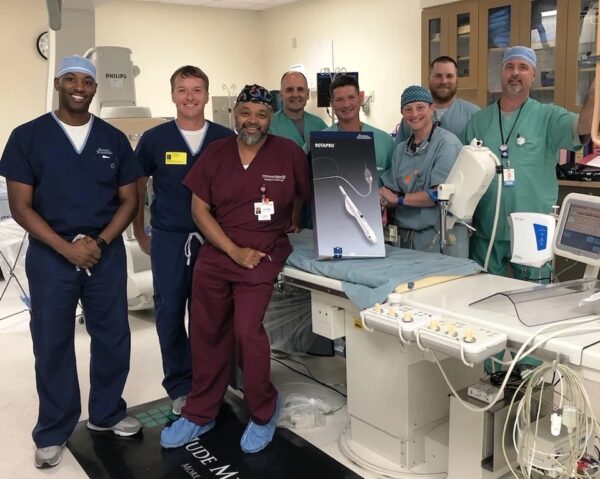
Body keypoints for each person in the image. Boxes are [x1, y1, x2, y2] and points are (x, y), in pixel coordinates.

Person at [0, 55, 142, 469]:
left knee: (113, 334)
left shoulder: (113, 139)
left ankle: (107, 412)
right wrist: (67, 248)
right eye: (71, 79)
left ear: (96, 89)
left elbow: (130, 199)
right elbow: (22, 208)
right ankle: (53, 428)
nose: (79, 86)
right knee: (52, 341)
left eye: (87, 81)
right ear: (59, 84)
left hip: (105, 251)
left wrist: (98, 241)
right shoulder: (27, 137)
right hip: (51, 255)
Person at [160, 84, 310, 453]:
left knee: (247, 333)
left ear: (270, 117)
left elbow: (305, 193)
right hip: (217, 253)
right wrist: (232, 250)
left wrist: (290, 219)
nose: (252, 121)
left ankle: (263, 408)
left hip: (263, 251)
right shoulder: (216, 153)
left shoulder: (288, 153)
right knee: (206, 332)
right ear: (235, 114)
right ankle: (200, 412)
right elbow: (199, 210)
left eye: (260, 114)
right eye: (245, 113)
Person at [132, 66, 235, 415]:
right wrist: (139, 232)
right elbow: (136, 188)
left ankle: (211, 384)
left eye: (197, 90)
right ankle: (180, 385)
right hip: (169, 240)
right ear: (172, 94)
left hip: (214, 242)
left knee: (212, 316)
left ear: (207, 95)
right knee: (170, 313)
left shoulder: (224, 138)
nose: (190, 97)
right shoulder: (155, 139)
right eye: (182, 90)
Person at [462, 46, 595, 280]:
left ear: (533, 76)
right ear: (501, 74)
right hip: (488, 229)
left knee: (533, 299)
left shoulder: (548, 117)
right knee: (482, 298)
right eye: (509, 67)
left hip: (533, 229)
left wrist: (595, 89)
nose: (515, 72)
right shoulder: (479, 121)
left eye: (523, 67)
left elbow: (584, 127)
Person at [380, 85, 466, 256]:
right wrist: (382, 196)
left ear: (431, 108)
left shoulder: (447, 144)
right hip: (405, 237)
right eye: (408, 109)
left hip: (438, 235)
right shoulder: (401, 150)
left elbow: (438, 195)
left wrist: (398, 200)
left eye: (420, 107)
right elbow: (392, 188)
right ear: (402, 114)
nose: (414, 114)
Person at [395, 56, 479, 145]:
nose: (444, 81)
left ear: (456, 80)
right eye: (438, 76)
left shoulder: (474, 115)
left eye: (449, 76)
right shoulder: (412, 116)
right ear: (428, 79)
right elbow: (400, 152)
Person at [322, 75, 394, 172]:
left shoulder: (385, 142)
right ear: (332, 104)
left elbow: (396, 180)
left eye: (351, 97)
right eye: (339, 99)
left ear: (360, 99)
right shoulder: (321, 141)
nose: (346, 104)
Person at [269, 71, 327, 147]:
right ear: (281, 95)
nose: (295, 95)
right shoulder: (270, 125)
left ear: (307, 94)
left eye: (300, 89)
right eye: (289, 90)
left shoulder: (319, 124)